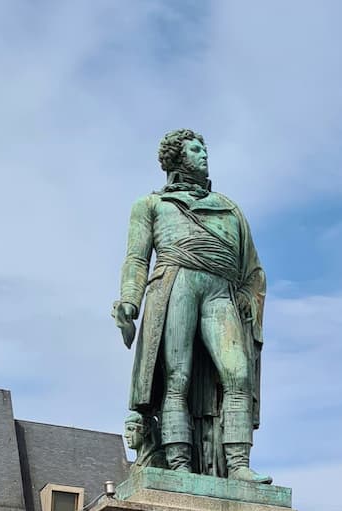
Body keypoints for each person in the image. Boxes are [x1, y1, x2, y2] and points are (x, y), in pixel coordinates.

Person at [114, 129, 271, 482]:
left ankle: (238, 464)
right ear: (177, 157)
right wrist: (129, 300)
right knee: (177, 377)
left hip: (221, 290)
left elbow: (253, 268)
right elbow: (137, 260)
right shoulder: (151, 205)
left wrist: (248, 294)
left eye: (204, 148)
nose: (204, 154)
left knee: (238, 374)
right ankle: (178, 463)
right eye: (196, 149)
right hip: (176, 282)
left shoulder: (230, 209)